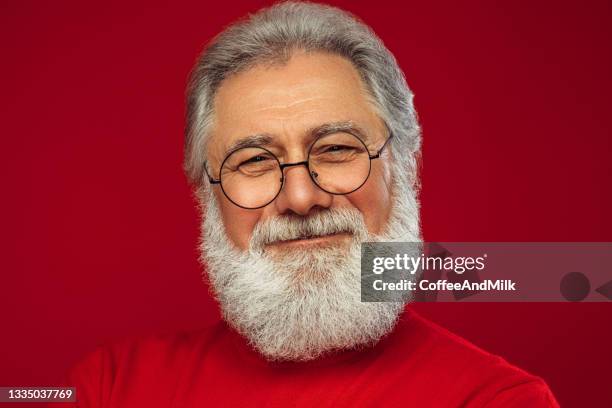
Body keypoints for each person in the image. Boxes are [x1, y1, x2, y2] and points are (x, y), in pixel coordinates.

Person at [63, 2, 558, 406]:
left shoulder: (496, 399)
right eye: (255, 160)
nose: (301, 198)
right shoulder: (110, 388)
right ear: (207, 195)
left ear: (405, 167)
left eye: (338, 149)